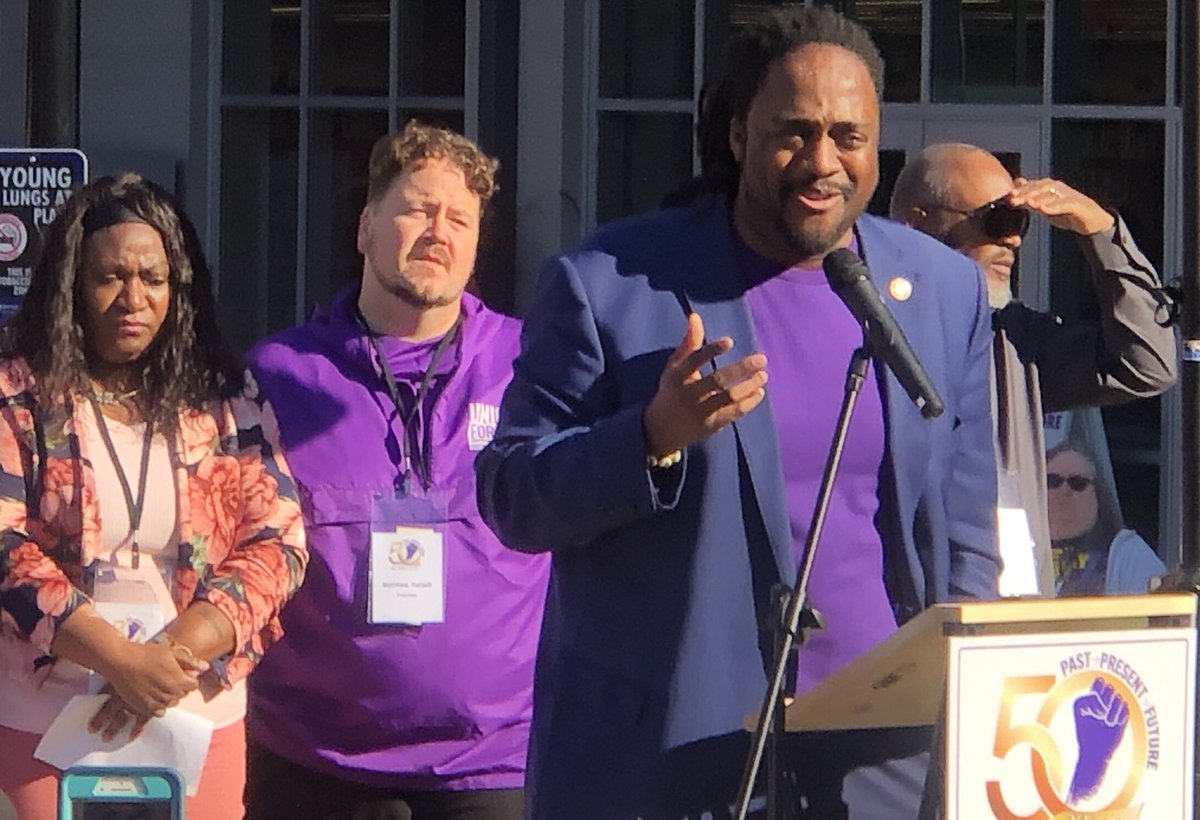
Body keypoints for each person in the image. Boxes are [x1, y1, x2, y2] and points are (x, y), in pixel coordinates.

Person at [475, 8, 997, 819]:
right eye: (793, 133)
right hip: (674, 763)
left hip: (879, 764)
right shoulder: (610, 285)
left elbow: (965, 534)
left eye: (849, 137)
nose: (823, 162)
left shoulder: (942, 289)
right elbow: (512, 493)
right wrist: (650, 439)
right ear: (735, 136)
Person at [244, 121, 548, 820]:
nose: (437, 231)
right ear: (364, 227)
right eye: (417, 208)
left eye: (459, 219)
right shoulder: (280, 377)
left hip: (491, 768)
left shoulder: (531, 367)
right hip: (313, 763)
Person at [0, 173, 308, 820]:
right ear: (72, 286)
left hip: (190, 714)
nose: (132, 298)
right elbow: (4, 544)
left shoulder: (224, 400)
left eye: (154, 279)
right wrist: (119, 661)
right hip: (47, 719)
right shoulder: (20, 398)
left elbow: (278, 542)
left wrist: (164, 661)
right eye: (109, 277)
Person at [890, 143, 1177, 596]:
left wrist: (1100, 231)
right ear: (918, 222)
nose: (1012, 240)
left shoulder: (1016, 339)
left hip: (1010, 614)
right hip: (905, 617)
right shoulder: (862, 331)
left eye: (1019, 222)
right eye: (996, 221)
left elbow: (1147, 364)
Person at [1046, 444, 1165, 595]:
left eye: (1077, 483)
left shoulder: (1127, 554)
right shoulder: (1019, 555)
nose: (1064, 491)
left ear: (1098, 497)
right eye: (1052, 481)